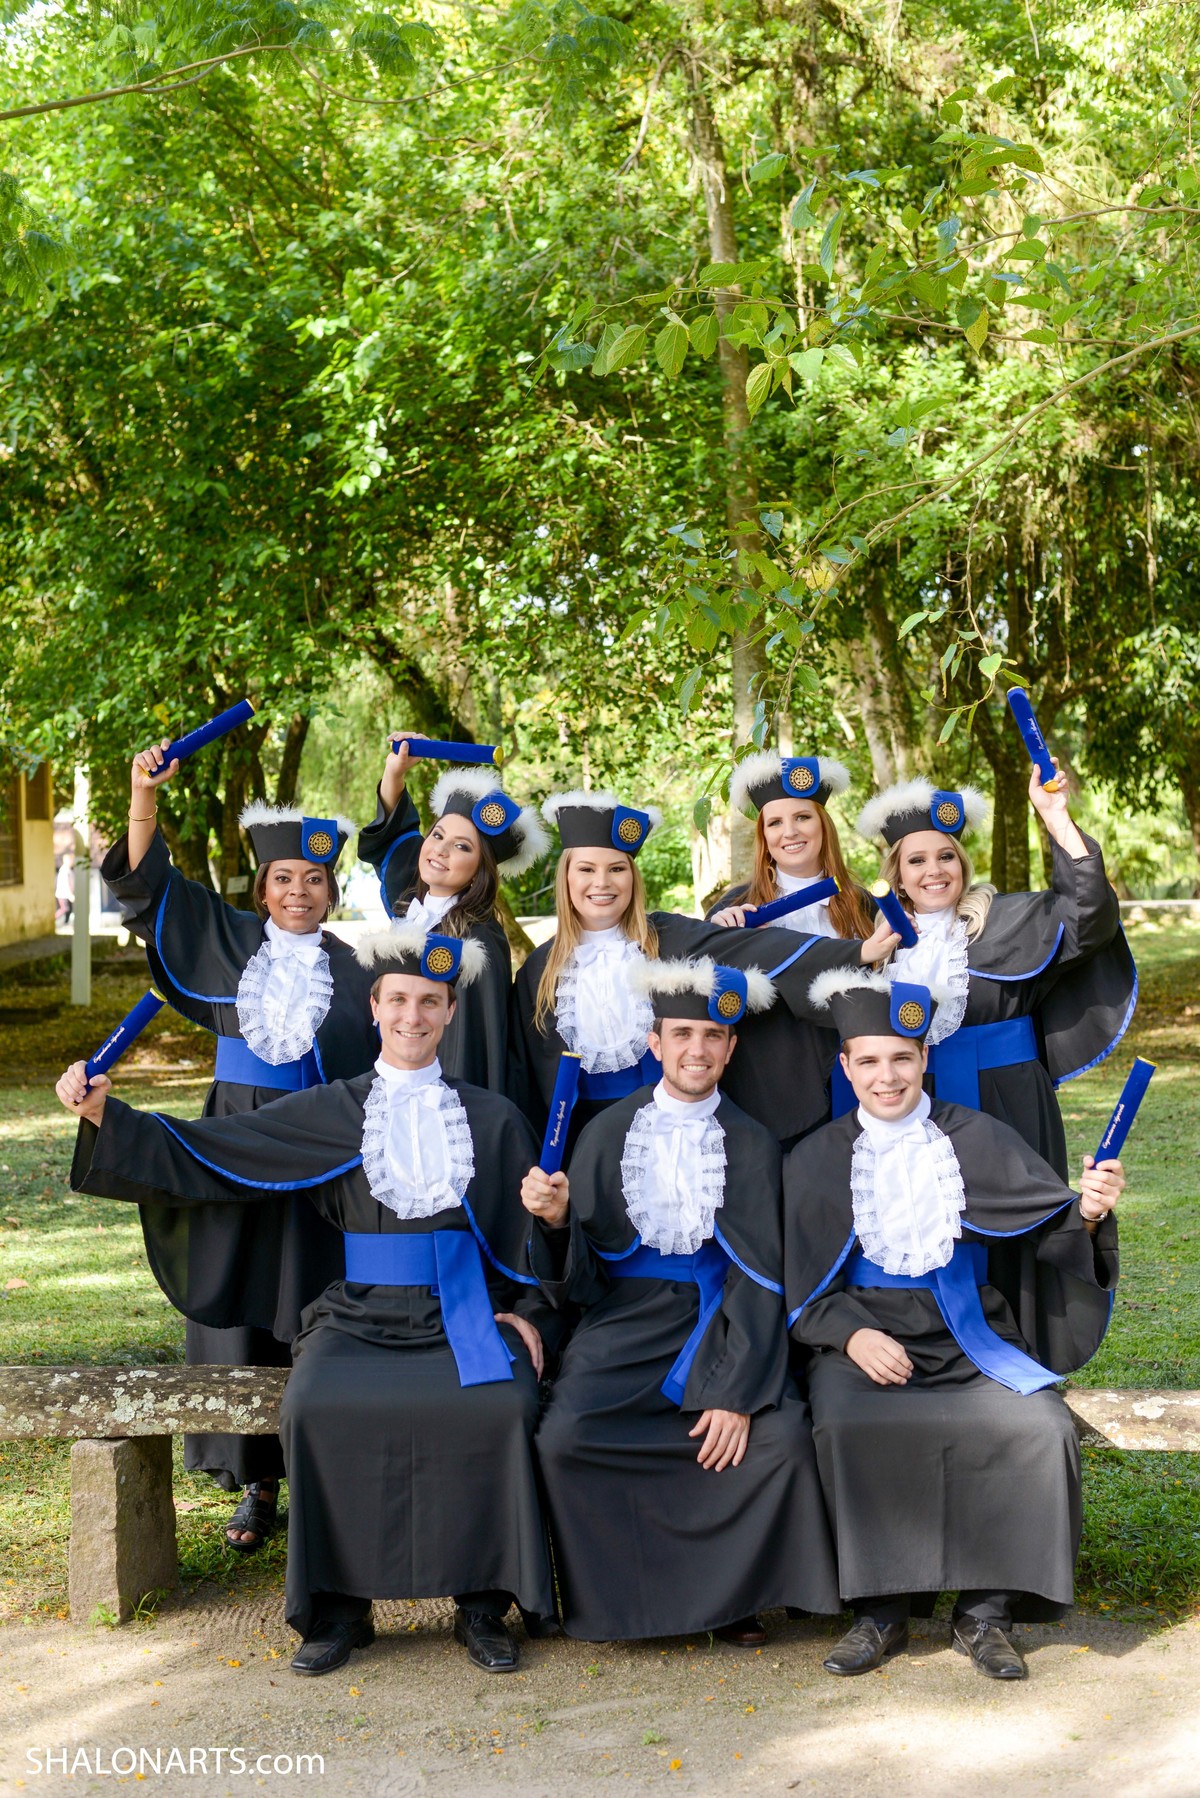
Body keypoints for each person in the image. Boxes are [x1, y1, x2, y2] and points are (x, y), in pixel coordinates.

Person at [56, 924, 555, 1678]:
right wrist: (107, 1119)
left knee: (500, 1405)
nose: (413, 1016)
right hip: (358, 1316)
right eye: (398, 1000)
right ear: (374, 1007)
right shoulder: (333, 1109)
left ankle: (482, 1603)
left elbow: (536, 1239)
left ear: (451, 1012)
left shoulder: (492, 1117)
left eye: (429, 1002)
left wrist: (527, 1310)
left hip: (460, 1315)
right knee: (314, 1404)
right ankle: (339, 1609)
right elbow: (220, 1151)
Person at [784, 969, 1124, 1681]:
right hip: (864, 1339)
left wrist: (1090, 1211)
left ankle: (985, 1613)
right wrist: (850, 1335)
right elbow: (798, 1283)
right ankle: (880, 1611)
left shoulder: (975, 1135)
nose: (886, 1077)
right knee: (845, 1424)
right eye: (868, 1061)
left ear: (924, 1058)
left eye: (900, 1058)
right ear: (845, 1065)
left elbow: (1050, 1221)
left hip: (969, 1331)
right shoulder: (815, 1157)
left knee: (1040, 1428)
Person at [100, 742, 379, 1549]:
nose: (299, 892)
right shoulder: (227, 942)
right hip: (231, 1135)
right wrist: (142, 796)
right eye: (284, 878)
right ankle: (255, 1484)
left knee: (309, 1298)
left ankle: (319, 1474)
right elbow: (149, 886)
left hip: (318, 1152)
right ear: (262, 888)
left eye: (315, 879)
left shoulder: (358, 972)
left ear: (331, 891)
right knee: (242, 1303)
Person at [522, 956, 841, 1643]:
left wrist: (735, 1389)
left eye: (713, 1037)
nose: (698, 1049)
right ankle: (625, 1601)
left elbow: (763, 1278)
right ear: (655, 1043)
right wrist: (555, 1221)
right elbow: (583, 1277)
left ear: (731, 1048)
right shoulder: (606, 1132)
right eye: (682, 1035)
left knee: (779, 1440)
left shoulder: (754, 1144)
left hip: (723, 1323)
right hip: (623, 1323)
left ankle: (733, 1602)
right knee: (566, 1437)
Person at [509, 788, 898, 1152]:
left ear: (632, 877)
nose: (602, 882)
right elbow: (529, 1077)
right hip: (579, 1139)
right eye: (586, 870)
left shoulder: (667, 935)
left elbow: (758, 947)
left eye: (616, 869)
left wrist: (860, 951)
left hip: (673, 1128)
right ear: (566, 877)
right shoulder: (538, 970)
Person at [857, 769, 1136, 1176]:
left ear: (962, 864)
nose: (934, 870)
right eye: (917, 860)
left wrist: (1056, 816)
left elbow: (1088, 915)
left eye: (946, 856)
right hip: (912, 1103)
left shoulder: (1007, 918)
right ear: (898, 878)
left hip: (1009, 1100)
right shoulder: (876, 943)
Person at [357, 737, 548, 1090]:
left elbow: (471, 1048)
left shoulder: (478, 940)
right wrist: (395, 771)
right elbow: (395, 838)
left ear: (479, 869)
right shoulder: (414, 906)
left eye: (461, 846)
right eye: (437, 835)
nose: (440, 850)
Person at [708, 752, 877, 1142]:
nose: (790, 832)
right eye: (775, 822)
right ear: (764, 836)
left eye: (802, 817)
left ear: (823, 825)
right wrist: (719, 942)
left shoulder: (864, 905)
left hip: (860, 1082)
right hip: (769, 1092)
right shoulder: (733, 909)